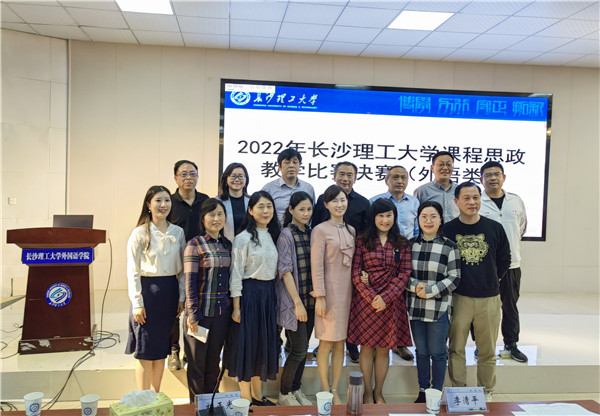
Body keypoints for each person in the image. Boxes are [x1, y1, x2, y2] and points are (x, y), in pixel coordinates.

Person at [444, 182, 511, 402]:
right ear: (456, 201)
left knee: (487, 350)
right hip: (459, 298)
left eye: (476, 197)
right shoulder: (448, 230)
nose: (472, 202)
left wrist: (492, 279)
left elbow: (505, 259)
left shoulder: (494, 228)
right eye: (466, 198)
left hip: (489, 298)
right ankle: (458, 391)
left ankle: (486, 391)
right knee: (456, 349)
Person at [347, 198, 412, 404]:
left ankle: (378, 392)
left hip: (391, 303)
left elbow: (404, 273)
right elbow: (356, 273)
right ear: (373, 218)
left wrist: (385, 298)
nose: (385, 220)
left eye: (389, 215)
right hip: (366, 303)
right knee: (366, 348)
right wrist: (371, 297)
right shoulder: (361, 241)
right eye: (381, 216)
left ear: (394, 216)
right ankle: (367, 392)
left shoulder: (402, 243)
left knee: (384, 350)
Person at [125, 185, 186, 392]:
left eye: (167, 200)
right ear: (148, 205)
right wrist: (137, 303)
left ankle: (156, 395)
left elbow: (182, 270)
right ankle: (143, 398)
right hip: (147, 293)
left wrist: (181, 297)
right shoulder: (139, 233)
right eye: (158, 200)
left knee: (161, 349)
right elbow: (132, 270)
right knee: (145, 350)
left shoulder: (178, 232)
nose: (163, 205)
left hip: (170, 292)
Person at [312, 161, 369, 363]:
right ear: (334, 176)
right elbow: (316, 227)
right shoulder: (323, 199)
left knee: (350, 310)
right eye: (341, 174)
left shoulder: (363, 203)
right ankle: (325, 343)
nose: (345, 178)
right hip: (329, 261)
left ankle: (351, 345)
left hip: (352, 264)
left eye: (349, 175)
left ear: (355, 177)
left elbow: (366, 236)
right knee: (329, 313)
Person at [226, 191, 280, 406]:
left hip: (268, 295)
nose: (265, 211)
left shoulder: (274, 234)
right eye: (260, 207)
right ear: (250, 210)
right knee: (247, 345)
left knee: (262, 345)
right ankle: (245, 397)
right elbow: (236, 273)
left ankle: (258, 396)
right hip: (249, 295)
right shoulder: (243, 238)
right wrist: (236, 306)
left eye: (269, 206)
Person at [407, 201, 461, 403]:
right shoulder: (410, 245)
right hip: (415, 308)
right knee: (421, 352)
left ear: (440, 220)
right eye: (424, 217)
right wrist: (415, 287)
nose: (428, 221)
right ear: (418, 219)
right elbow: (402, 274)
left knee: (438, 353)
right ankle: (423, 391)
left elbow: (454, 277)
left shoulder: (449, 247)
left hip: (439, 308)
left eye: (433, 217)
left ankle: (436, 392)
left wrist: (430, 290)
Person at [183, 199, 232, 402]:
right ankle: (197, 405)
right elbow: (189, 283)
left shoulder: (227, 244)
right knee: (197, 364)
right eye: (212, 214)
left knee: (213, 363)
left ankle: (212, 403)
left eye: (220, 214)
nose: (216, 218)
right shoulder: (194, 245)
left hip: (220, 314)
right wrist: (193, 314)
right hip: (200, 315)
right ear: (203, 218)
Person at [311, 185, 355, 405]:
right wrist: (320, 295)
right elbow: (316, 265)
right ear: (326, 204)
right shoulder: (320, 230)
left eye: (343, 200)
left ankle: (335, 389)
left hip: (347, 294)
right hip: (328, 294)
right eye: (335, 201)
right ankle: (324, 388)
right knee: (326, 341)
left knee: (340, 342)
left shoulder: (351, 230)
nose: (340, 204)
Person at [479, 161, 528, 363]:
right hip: (484, 267)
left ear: (503, 177)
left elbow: (521, 228)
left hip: (511, 265)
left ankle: (511, 344)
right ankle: (482, 346)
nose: (493, 178)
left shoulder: (515, 201)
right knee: (483, 309)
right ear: (481, 179)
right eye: (488, 175)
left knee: (510, 306)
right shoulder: (477, 201)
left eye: (496, 174)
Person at [370, 165, 419, 361]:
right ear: (386, 180)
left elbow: (416, 231)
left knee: (400, 301)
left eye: (403, 178)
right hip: (380, 254)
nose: (399, 181)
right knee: (379, 297)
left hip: (405, 252)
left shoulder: (414, 202)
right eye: (395, 177)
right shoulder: (375, 201)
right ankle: (376, 340)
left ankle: (399, 343)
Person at [169, 159, 209, 370]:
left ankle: (191, 351)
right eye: (183, 174)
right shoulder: (170, 202)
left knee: (195, 307)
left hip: (201, 262)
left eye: (192, 173)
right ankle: (174, 350)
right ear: (175, 178)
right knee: (176, 309)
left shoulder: (205, 200)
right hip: (175, 263)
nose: (188, 178)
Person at [275, 191, 315, 406]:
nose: (306, 213)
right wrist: (297, 303)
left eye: (309, 209)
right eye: (301, 209)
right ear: (291, 210)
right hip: (294, 302)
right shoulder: (286, 235)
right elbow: (285, 271)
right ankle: (283, 394)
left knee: (302, 348)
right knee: (298, 349)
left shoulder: (311, 233)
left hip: (311, 300)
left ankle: (295, 389)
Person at [262, 148, 315, 223]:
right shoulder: (269, 188)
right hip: (277, 230)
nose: (291, 165)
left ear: (299, 165)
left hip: (302, 230)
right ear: (279, 166)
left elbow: (312, 215)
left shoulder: (308, 188)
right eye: (287, 162)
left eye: (295, 162)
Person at [413, 151, 459, 223]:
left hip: (456, 230)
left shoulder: (460, 190)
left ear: (453, 168)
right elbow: (415, 217)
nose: (445, 168)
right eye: (441, 165)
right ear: (432, 168)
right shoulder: (422, 191)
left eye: (448, 164)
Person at [217, 162, 250, 241]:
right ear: (226, 179)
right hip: (224, 245)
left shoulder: (252, 201)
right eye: (233, 176)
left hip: (249, 245)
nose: (237, 179)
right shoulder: (217, 202)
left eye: (241, 176)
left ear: (246, 180)